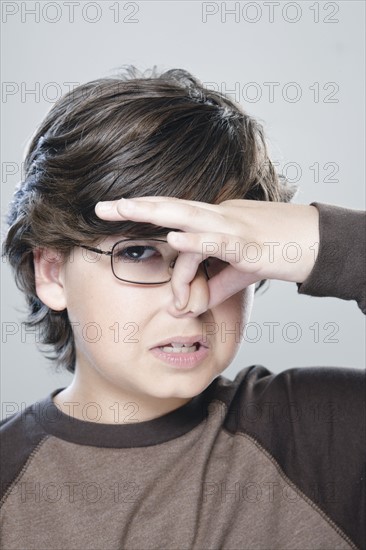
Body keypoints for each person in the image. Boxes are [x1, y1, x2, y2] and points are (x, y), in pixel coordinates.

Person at [1, 66, 364, 550]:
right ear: (50, 271)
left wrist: (327, 244)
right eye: (138, 252)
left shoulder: (327, 431)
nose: (188, 296)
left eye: (217, 256)